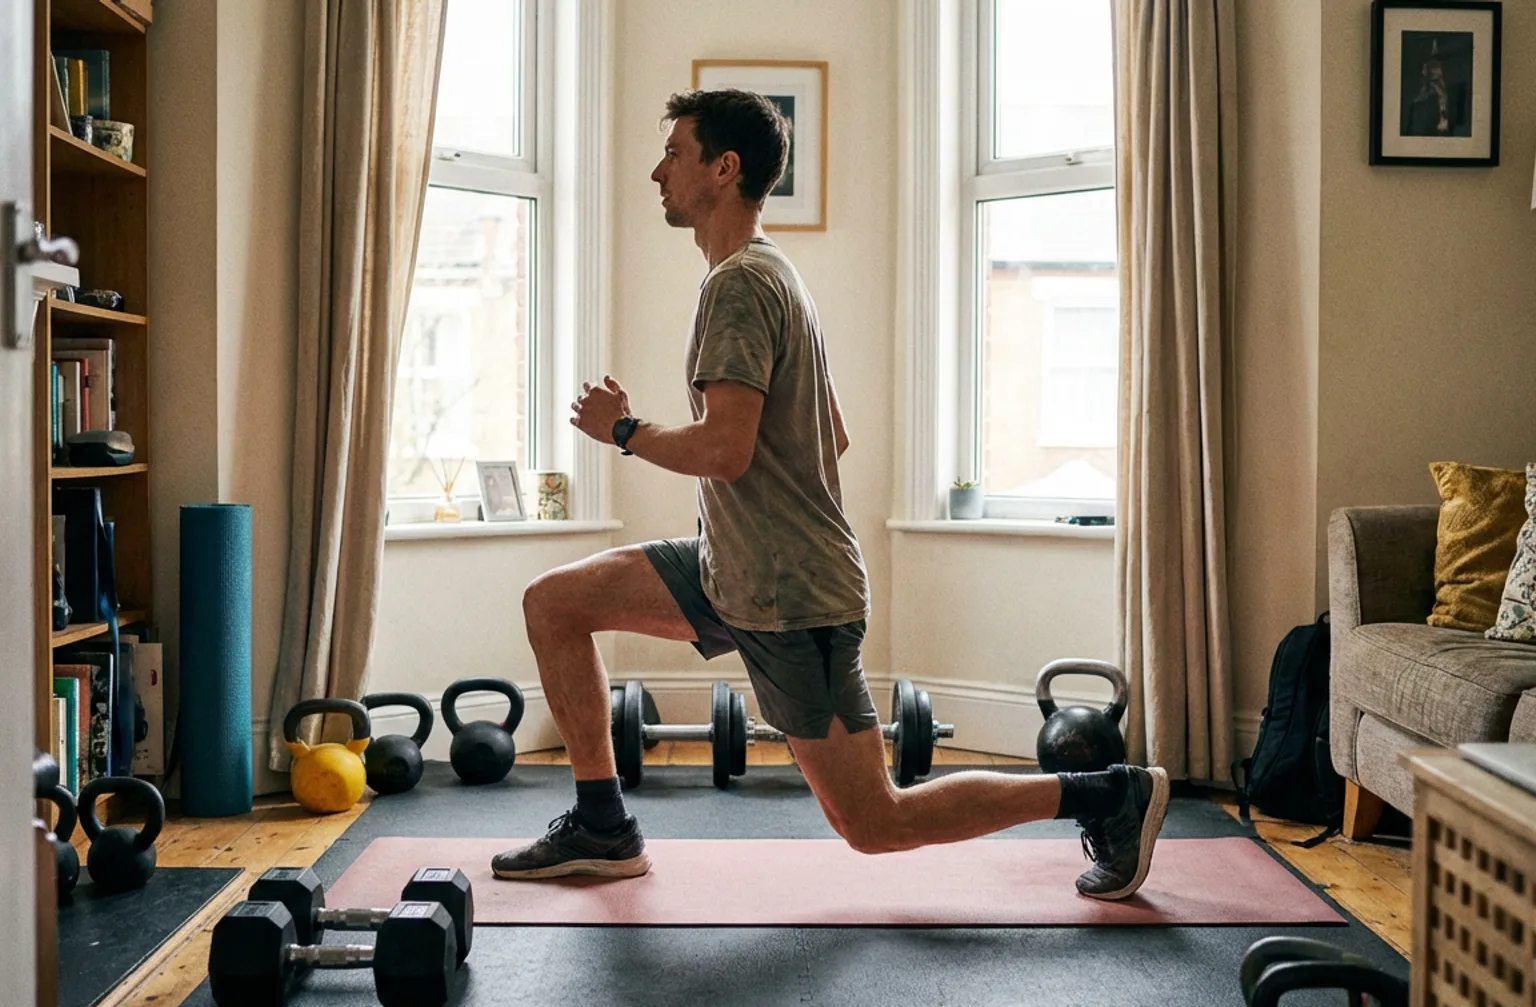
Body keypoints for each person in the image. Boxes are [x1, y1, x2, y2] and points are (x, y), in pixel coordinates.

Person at [491, 89, 1169, 901]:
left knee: (874, 822)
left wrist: (624, 429)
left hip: (791, 600)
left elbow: (725, 450)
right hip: (734, 571)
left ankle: (1108, 794)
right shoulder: (775, 273)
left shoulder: (739, 286)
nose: (656, 171)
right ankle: (603, 824)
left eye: (674, 153)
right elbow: (830, 434)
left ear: (723, 168)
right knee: (554, 604)